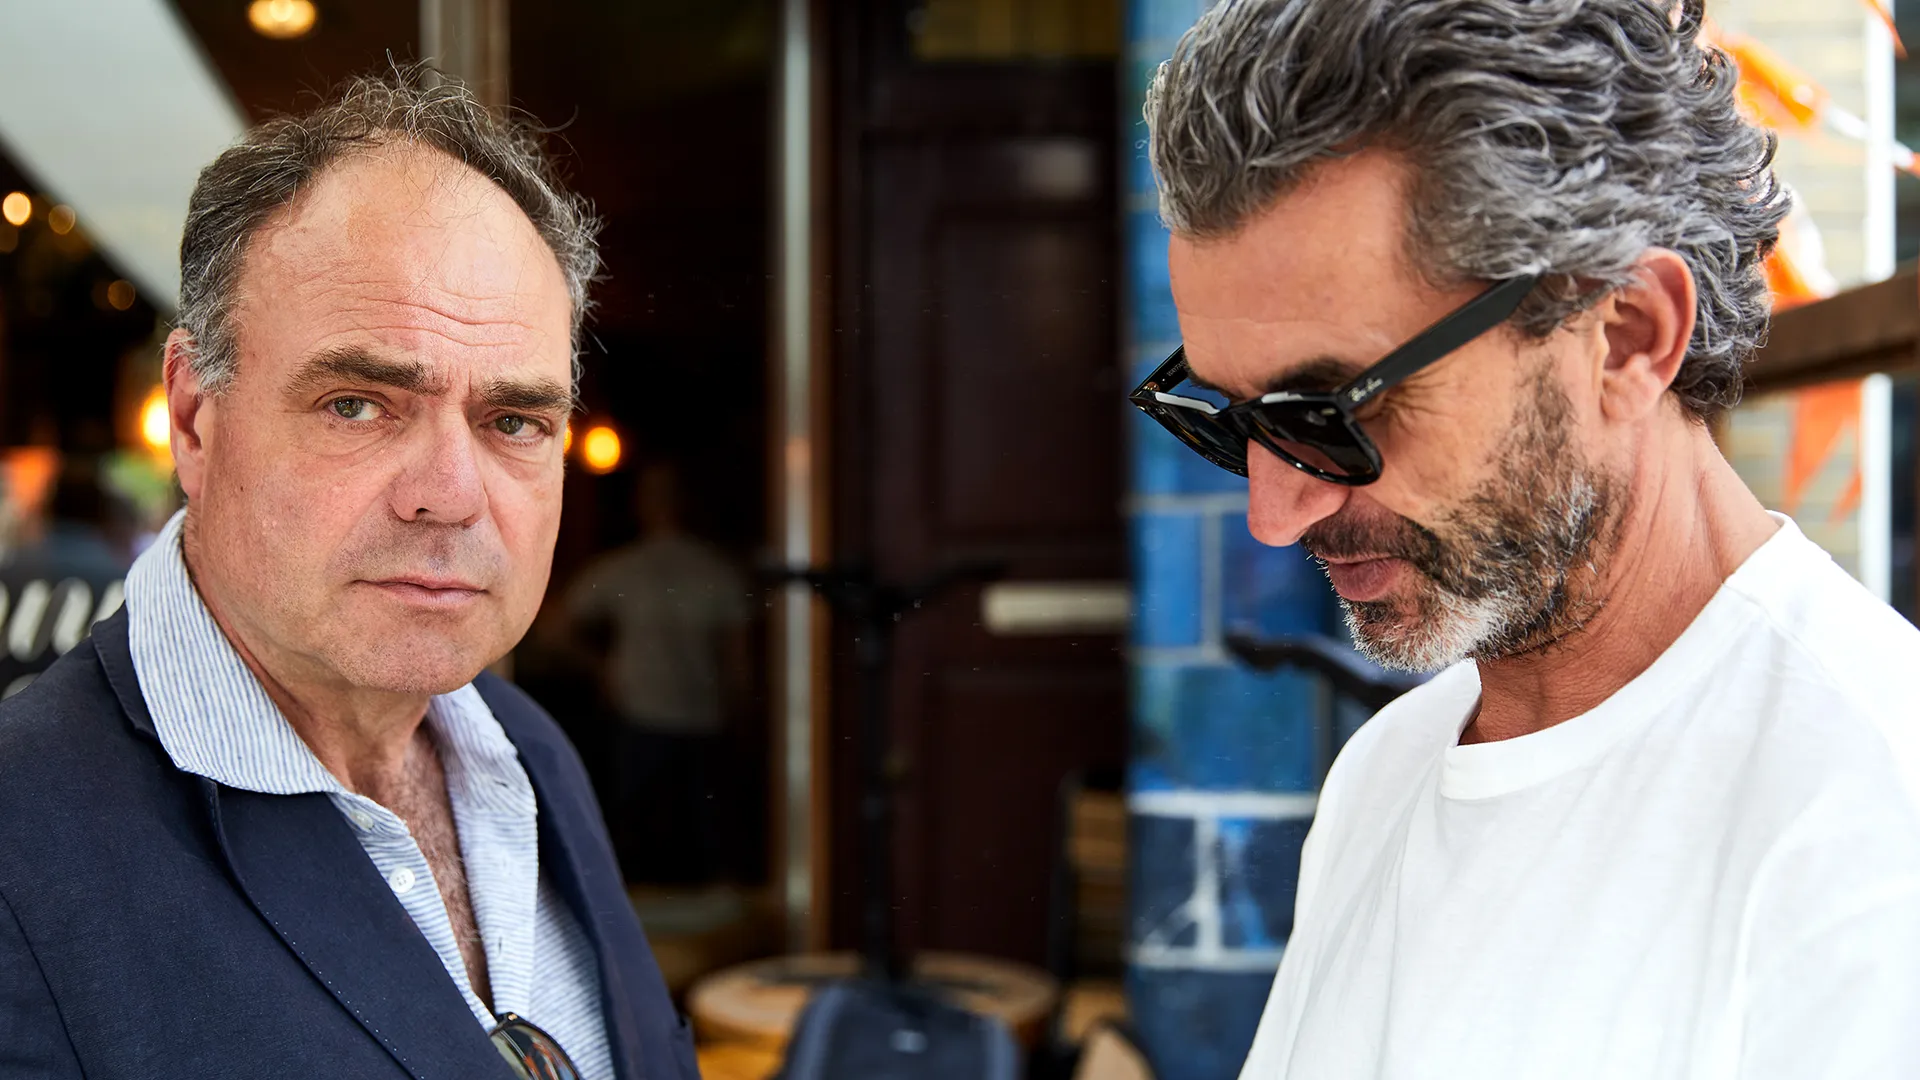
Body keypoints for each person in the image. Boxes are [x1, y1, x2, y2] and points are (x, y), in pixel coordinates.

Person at [1132, 1, 1920, 1076]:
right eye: (1228, 423)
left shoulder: (1873, 823)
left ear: (1625, 335)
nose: (1274, 516)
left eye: (1329, 415)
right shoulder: (1388, 770)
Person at [0, 74, 697, 1079]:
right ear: (193, 420)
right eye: (358, 405)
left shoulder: (529, 754)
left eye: (513, 421)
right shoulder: (25, 848)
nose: (449, 495)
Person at [562, 461, 752, 884]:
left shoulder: (709, 570)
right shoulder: (634, 568)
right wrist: (603, 669)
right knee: (650, 835)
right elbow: (561, 625)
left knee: (693, 836)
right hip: (652, 716)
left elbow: (738, 663)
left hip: (692, 718)